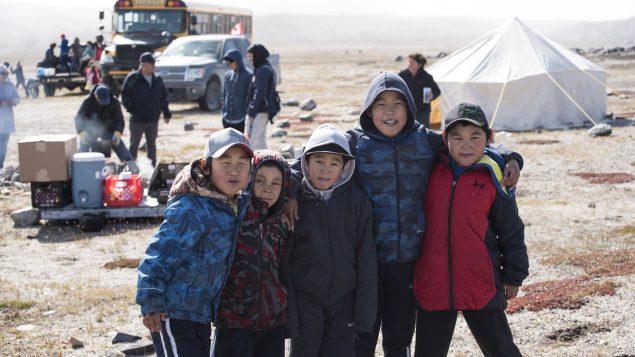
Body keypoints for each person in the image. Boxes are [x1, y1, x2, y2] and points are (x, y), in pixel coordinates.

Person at [279, 72, 520, 357]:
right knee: (361, 337)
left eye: (398, 103)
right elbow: (303, 162)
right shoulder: (355, 143)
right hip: (363, 262)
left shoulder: (425, 141)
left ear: (409, 106)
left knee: (398, 337)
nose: (389, 111)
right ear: (369, 109)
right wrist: (289, 191)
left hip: (408, 261)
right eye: (380, 104)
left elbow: (472, 146)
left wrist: (514, 158)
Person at [413, 102, 528, 356]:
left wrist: (513, 274)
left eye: (475, 137)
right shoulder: (430, 167)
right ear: (445, 139)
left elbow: (511, 229)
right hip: (434, 281)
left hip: (480, 280)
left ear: (489, 137)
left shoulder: (494, 175)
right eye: (457, 137)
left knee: (501, 349)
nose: (466, 145)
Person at [136, 128, 254, 357]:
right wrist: (150, 301)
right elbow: (159, 253)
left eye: (242, 163)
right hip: (171, 312)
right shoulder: (192, 207)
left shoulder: (232, 203)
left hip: (199, 313)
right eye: (225, 162)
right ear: (206, 166)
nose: (234, 170)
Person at [286, 124, 377, 357]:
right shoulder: (295, 203)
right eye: (319, 160)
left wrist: (365, 318)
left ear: (345, 168)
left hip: (344, 301)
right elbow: (285, 261)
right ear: (306, 162)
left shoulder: (357, 203)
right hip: (306, 300)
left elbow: (366, 259)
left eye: (334, 163)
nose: (325, 169)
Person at [212, 150, 291, 357]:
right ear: (249, 180)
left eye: (276, 183)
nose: (267, 188)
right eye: (260, 180)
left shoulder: (283, 223)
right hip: (233, 320)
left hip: (272, 322)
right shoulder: (234, 215)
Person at [121, 52, 171, 168]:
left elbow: (163, 98)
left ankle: (152, 168)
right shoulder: (133, 78)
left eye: (154, 63)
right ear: (143, 65)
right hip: (137, 120)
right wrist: (132, 109)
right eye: (151, 63)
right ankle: (132, 168)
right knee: (134, 145)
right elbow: (124, 95)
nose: (154, 65)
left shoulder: (157, 79)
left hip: (153, 119)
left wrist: (166, 113)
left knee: (151, 145)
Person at [75, 85, 136, 171]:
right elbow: (79, 118)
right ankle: (79, 168)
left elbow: (119, 120)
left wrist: (117, 133)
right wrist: (82, 133)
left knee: (120, 147)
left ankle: (132, 168)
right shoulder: (88, 102)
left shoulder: (114, 102)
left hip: (109, 131)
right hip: (91, 131)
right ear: (95, 95)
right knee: (83, 146)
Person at [245, 44, 277, 150]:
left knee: (251, 142)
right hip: (262, 109)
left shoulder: (263, 70)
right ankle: (266, 163)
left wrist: (252, 109)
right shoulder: (263, 68)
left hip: (261, 110)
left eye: (250, 56)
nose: (248, 59)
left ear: (257, 56)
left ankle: (251, 165)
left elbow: (260, 92)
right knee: (261, 140)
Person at [398, 53, 441, 128]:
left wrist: (432, 94)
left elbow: (437, 91)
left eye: (412, 63)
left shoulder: (426, 77)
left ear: (420, 65)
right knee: (406, 131)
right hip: (407, 110)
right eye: (408, 62)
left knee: (423, 132)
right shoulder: (402, 75)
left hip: (423, 111)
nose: (409, 65)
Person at [221, 49, 253, 132]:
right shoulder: (227, 75)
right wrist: (224, 112)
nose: (229, 64)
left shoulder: (248, 75)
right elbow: (224, 94)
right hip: (227, 118)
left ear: (238, 60)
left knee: (240, 143)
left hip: (241, 119)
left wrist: (246, 113)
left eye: (231, 61)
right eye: (228, 62)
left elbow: (250, 97)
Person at [0, 65, 19, 170]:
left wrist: (12, 101)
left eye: (6, 74)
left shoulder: (10, 85)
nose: (5, 76)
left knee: (4, 143)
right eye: (3, 74)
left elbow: (17, 98)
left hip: (7, 121)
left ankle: (0, 164)